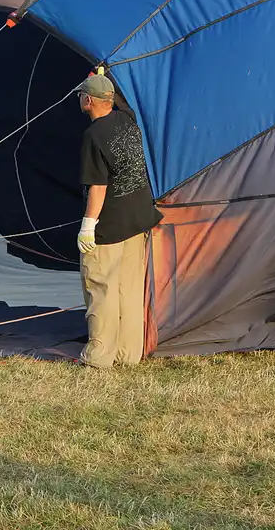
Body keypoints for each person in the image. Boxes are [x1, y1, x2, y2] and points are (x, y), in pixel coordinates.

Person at [76, 73, 163, 368]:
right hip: (138, 219)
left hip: (110, 224)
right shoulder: (128, 119)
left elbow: (98, 188)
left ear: (88, 101)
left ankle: (99, 357)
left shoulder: (93, 136)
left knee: (101, 286)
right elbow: (122, 102)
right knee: (129, 287)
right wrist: (106, 74)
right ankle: (129, 354)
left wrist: (88, 226)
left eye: (81, 96)